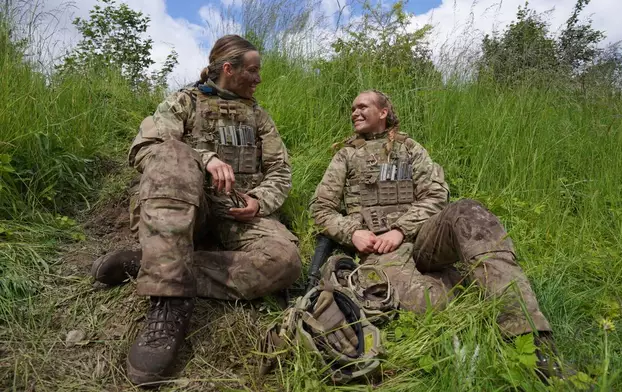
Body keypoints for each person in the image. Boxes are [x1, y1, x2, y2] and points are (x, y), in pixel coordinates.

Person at [91, 35, 301, 385]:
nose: (259, 78)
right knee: (171, 154)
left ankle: (152, 264)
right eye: (252, 70)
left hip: (237, 212)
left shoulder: (259, 117)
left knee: (285, 261)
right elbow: (145, 148)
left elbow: (281, 171)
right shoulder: (184, 102)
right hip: (186, 207)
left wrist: (259, 201)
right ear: (229, 69)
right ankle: (168, 303)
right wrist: (204, 158)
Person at [309, 89, 559, 379]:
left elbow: (437, 195)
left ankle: (533, 340)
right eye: (352, 108)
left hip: (424, 237)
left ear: (383, 112)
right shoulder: (346, 156)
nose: (355, 112)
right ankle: (474, 294)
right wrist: (353, 233)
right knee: (431, 304)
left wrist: (401, 229)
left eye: (363, 106)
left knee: (469, 211)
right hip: (379, 250)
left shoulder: (410, 149)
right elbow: (321, 208)